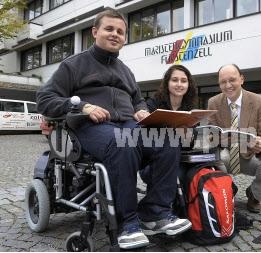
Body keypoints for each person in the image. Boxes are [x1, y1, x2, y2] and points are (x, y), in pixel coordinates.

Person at [36, 9, 191, 249]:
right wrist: (83, 106)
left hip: (128, 125)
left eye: (120, 31)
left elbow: (138, 99)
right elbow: (45, 99)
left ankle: (154, 212)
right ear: (95, 32)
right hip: (89, 127)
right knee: (123, 141)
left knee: (168, 138)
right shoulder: (73, 65)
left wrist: (140, 110)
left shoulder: (126, 71)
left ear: (125, 38)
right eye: (109, 29)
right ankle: (127, 222)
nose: (115, 34)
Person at [207, 64, 261, 213]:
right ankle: (228, 189)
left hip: (251, 155)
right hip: (226, 155)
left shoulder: (259, 102)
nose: (228, 85)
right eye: (223, 82)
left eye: (232, 80)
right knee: (210, 157)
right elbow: (210, 134)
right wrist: (216, 138)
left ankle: (254, 195)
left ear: (241, 79)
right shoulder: (213, 102)